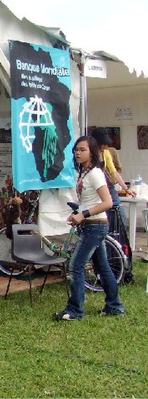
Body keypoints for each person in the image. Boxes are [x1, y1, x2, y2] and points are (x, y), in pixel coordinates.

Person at [54, 135, 125, 321]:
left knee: (76, 266)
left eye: (82, 150)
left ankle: (75, 310)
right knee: (102, 266)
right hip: (90, 225)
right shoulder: (84, 172)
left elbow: (108, 202)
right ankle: (114, 305)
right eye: (76, 149)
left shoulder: (95, 173)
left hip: (96, 226)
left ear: (92, 153)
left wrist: (83, 215)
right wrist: (78, 213)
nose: (78, 153)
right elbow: (89, 201)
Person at [90, 127, 135, 225]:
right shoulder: (88, 153)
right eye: (104, 144)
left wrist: (126, 188)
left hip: (108, 187)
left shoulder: (106, 153)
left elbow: (114, 172)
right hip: (93, 188)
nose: (106, 146)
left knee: (119, 214)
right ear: (96, 142)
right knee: (98, 216)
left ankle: (115, 238)